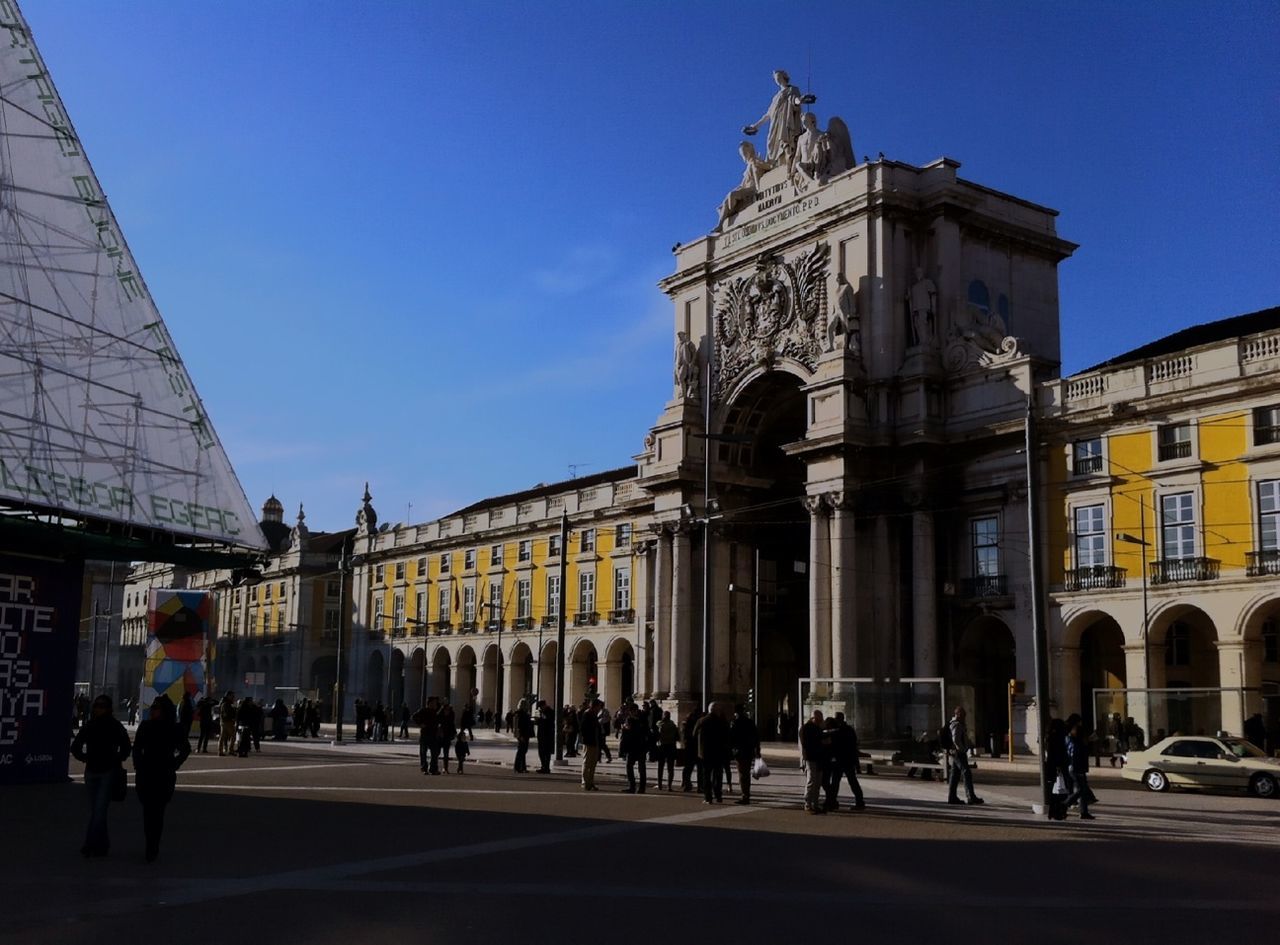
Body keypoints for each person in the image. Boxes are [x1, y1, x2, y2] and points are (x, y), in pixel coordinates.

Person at [70, 694, 131, 857]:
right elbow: (75, 746)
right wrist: (85, 758)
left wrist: (115, 760)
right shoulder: (91, 725)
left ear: (108, 708)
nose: (99, 709)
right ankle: (103, 845)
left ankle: (89, 844)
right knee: (97, 811)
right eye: (97, 705)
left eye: (102, 706)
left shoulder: (114, 726)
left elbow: (126, 747)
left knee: (98, 810)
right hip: (92, 771)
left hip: (107, 773)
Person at [132, 695, 191, 862]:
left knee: (156, 813)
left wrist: (174, 763)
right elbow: (136, 748)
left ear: (164, 711)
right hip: (148, 772)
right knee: (150, 812)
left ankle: (152, 845)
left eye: (155, 708)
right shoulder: (147, 726)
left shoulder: (174, 729)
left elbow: (185, 749)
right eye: (152, 708)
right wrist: (138, 765)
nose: (152, 711)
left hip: (162, 773)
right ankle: (151, 844)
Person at [742, 68, 815, 167]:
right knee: (771, 143)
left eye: (778, 77)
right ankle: (776, 165)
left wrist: (801, 100)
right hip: (775, 124)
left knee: (786, 142)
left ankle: (787, 164)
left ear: (784, 77)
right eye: (775, 78)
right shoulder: (776, 97)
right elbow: (768, 114)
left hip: (787, 121)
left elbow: (794, 100)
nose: (777, 79)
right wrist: (755, 126)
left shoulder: (792, 89)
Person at [947, 706, 984, 806]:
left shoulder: (955, 724)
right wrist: (961, 749)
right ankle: (970, 796)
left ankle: (952, 796)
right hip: (958, 753)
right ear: (958, 714)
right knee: (966, 772)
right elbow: (955, 739)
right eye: (963, 715)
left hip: (955, 752)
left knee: (955, 774)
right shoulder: (957, 725)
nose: (964, 717)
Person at [830, 711, 866, 811]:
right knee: (852, 781)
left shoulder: (837, 731)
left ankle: (832, 802)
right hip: (849, 760)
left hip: (840, 760)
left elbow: (834, 745)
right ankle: (860, 801)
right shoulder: (849, 730)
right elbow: (854, 746)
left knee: (835, 782)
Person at [694, 702, 729, 804]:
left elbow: (694, 735)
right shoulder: (723, 722)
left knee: (706, 776)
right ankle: (718, 796)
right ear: (717, 711)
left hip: (705, 753)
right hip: (719, 752)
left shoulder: (702, 721)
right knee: (718, 775)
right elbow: (727, 737)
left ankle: (708, 797)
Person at [1064, 717, 1094, 820]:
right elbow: (1076, 757)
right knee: (1081, 790)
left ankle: (1084, 812)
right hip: (1077, 768)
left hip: (1074, 768)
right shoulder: (1077, 744)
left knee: (1083, 790)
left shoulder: (1071, 740)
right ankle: (1065, 804)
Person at [730, 704, 760, 805]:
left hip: (740, 751)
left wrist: (731, 750)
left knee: (742, 774)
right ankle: (746, 794)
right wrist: (758, 751)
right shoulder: (750, 722)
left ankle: (745, 795)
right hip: (749, 751)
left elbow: (732, 738)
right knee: (746, 774)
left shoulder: (735, 723)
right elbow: (756, 737)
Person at [800, 710, 827, 814]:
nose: (821, 720)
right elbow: (805, 744)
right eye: (819, 719)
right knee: (812, 780)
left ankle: (815, 804)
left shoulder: (818, 728)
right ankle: (808, 803)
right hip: (811, 758)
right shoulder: (806, 728)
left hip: (818, 757)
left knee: (817, 782)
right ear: (813, 718)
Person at [620, 703, 650, 794]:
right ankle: (640, 787)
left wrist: (625, 729)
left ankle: (633, 787)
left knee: (631, 767)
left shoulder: (630, 720)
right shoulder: (643, 719)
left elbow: (627, 733)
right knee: (640, 768)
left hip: (634, 746)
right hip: (640, 746)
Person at [1045, 717, 1069, 821]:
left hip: (1051, 766)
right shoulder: (1058, 737)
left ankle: (1053, 812)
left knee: (1054, 791)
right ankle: (1058, 812)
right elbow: (1060, 753)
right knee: (1061, 791)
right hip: (1058, 766)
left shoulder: (1049, 737)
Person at [579, 698, 603, 791]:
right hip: (589, 742)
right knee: (587, 762)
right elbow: (583, 728)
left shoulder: (594, 714)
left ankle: (591, 781)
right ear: (595, 706)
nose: (599, 709)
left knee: (593, 763)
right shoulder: (587, 714)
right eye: (599, 707)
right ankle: (585, 782)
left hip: (595, 741)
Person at [413, 696, 441, 774]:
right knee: (423, 752)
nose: (435, 704)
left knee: (435, 752)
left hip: (433, 734)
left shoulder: (435, 712)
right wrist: (420, 724)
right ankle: (424, 768)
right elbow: (414, 717)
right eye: (434, 702)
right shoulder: (423, 710)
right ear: (430, 703)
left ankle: (433, 768)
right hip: (425, 734)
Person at [680, 707, 704, 792]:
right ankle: (700, 786)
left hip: (688, 749)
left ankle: (687, 784)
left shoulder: (684, 726)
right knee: (699, 769)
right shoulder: (696, 725)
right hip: (696, 749)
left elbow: (683, 738)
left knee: (688, 768)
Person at [655, 710, 678, 790]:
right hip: (671, 746)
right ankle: (669, 785)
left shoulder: (661, 724)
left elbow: (657, 724)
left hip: (662, 746)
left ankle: (660, 784)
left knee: (660, 766)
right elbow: (677, 736)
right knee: (670, 767)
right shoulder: (673, 725)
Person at [535, 701, 555, 774]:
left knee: (546, 752)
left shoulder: (550, 712)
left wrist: (541, 717)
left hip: (547, 735)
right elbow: (538, 722)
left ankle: (546, 767)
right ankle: (543, 766)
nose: (540, 709)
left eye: (540, 707)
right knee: (541, 752)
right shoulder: (541, 712)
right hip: (541, 735)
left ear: (544, 706)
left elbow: (548, 722)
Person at [514, 699, 533, 773]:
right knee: (521, 750)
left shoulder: (524, 713)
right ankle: (518, 767)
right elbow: (518, 725)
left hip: (525, 734)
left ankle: (522, 767)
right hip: (522, 734)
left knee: (523, 751)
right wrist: (520, 735)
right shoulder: (520, 713)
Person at [217, 692, 238, 756]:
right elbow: (227, 713)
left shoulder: (223, 702)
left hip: (223, 721)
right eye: (232, 696)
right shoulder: (227, 704)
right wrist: (232, 718)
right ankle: (230, 750)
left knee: (222, 737)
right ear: (229, 696)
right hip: (228, 722)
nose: (233, 697)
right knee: (233, 736)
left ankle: (220, 751)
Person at [439, 703, 457, 772]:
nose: (447, 711)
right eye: (446, 710)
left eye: (448, 710)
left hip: (447, 737)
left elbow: (452, 726)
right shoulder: (440, 717)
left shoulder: (450, 717)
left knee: (446, 753)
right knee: (436, 752)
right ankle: (433, 765)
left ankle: (445, 767)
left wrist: (454, 733)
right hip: (440, 737)